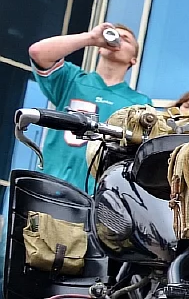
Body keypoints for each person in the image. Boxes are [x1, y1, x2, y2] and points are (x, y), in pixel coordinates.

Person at [28, 22, 152, 192]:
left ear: (133, 60)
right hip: (52, 188)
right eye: (115, 35)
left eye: (126, 39)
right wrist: (91, 38)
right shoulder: (72, 79)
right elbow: (38, 52)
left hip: (99, 198)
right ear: (100, 49)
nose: (118, 40)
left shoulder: (140, 103)